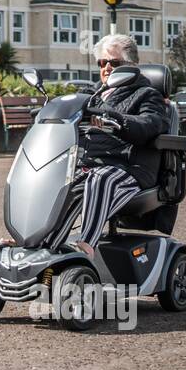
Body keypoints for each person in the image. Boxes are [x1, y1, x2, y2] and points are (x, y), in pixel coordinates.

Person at [71, 33, 172, 256]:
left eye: (114, 63)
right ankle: (37, 240)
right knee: (56, 178)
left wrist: (116, 119)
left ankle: (87, 244)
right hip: (92, 164)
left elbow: (149, 125)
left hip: (130, 169)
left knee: (101, 178)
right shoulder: (92, 95)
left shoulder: (148, 95)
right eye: (102, 62)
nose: (106, 68)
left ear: (131, 66)